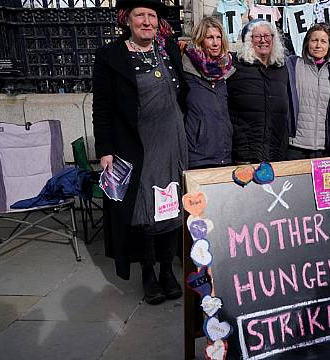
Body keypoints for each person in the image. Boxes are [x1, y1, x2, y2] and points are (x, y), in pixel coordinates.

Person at [92, 0, 188, 305]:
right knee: (144, 210)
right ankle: (148, 271)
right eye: (140, 16)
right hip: (137, 146)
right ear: (127, 20)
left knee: (171, 205)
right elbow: (102, 107)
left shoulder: (169, 49)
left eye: (152, 16)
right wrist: (105, 149)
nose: (146, 21)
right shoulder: (110, 56)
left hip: (172, 142)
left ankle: (167, 270)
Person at [227, 19, 289, 163]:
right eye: (257, 37)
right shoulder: (235, 65)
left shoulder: (282, 68)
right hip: (244, 152)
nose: (263, 41)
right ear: (249, 40)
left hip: (275, 151)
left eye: (267, 36)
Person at [183, 16, 234, 169]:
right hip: (198, 156)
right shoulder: (185, 71)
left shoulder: (227, 71)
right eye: (210, 37)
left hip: (225, 154)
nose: (215, 43)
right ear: (200, 40)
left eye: (218, 37)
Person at [286, 23, 330, 160]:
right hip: (295, 146)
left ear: (329, 46)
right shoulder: (293, 65)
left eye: (323, 41)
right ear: (307, 43)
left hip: (322, 148)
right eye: (314, 40)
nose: (318, 45)